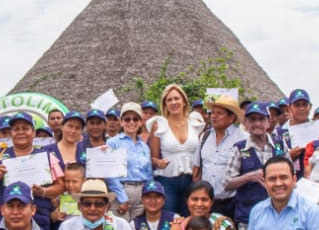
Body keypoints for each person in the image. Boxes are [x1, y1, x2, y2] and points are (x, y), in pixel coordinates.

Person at [0, 111, 64, 230]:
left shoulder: (46, 156)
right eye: (16, 129)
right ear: (11, 133)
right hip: (3, 216)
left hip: (38, 216)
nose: (21, 132)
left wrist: (43, 191)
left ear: (33, 132)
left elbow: (60, 186)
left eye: (25, 128)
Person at [223, 102, 284, 230]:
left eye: (261, 119)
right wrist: (249, 177)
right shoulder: (239, 148)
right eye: (252, 119)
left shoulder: (279, 146)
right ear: (246, 123)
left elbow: (291, 176)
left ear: (268, 122)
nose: (257, 124)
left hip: (278, 213)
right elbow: (227, 183)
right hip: (248, 215)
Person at [147, 84, 203, 216]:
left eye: (177, 98)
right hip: (168, 181)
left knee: (192, 220)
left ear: (184, 101)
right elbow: (153, 158)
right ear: (165, 104)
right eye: (169, 100)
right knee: (170, 220)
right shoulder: (159, 125)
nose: (174, 102)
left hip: (192, 181)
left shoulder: (195, 123)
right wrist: (158, 162)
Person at [194, 96, 245, 218]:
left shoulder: (242, 138)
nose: (214, 116)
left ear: (231, 118)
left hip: (232, 202)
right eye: (212, 113)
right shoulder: (204, 137)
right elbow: (197, 168)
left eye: (219, 113)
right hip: (208, 203)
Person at [104, 103, 154, 219]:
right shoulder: (113, 143)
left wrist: (149, 195)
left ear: (141, 122)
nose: (131, 122)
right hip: (120, 193)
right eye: (127, 119)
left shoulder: (144, 147)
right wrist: (122, 198)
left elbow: (149, 174)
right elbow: (111, 175)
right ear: (121, 122)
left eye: (135, 119)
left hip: (141, 195)